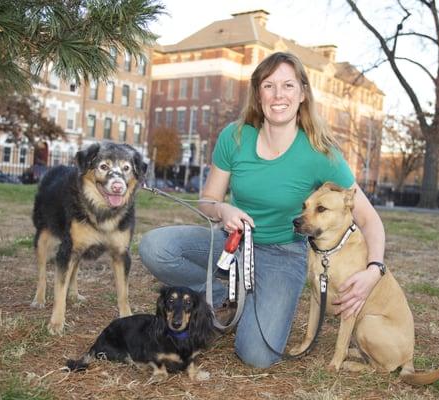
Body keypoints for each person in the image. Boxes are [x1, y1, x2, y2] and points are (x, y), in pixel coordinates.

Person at [139, 52, 386, 368]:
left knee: (257, 355)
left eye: (288, 85)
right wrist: (224, 209)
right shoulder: (236, 135)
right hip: (233, 247)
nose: (278, 95)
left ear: (302, 93)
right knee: (155, 247)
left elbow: (369, 218)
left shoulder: (320, 151)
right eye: (269, 86)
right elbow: (208, 199)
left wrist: (373, 269)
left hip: (284, 255)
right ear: (258, 94)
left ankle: (247, 298)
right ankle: (222, 295)